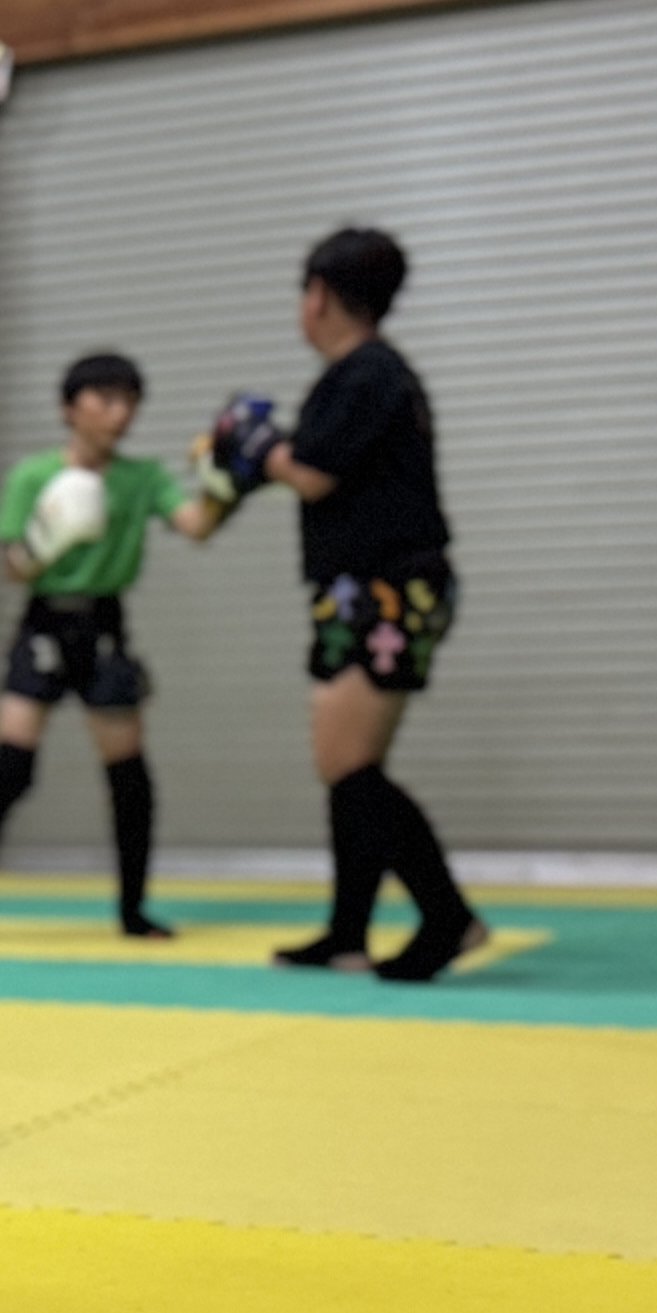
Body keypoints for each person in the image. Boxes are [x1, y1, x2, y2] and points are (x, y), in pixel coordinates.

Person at [199, 226, 482, 983]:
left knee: (348, 766)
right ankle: (347, 932)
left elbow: (313, 472)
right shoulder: (363, 377)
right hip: (363, 591)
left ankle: (447, 916)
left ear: (319, 296)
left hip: (385, 591)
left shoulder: (367, 373)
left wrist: (254, 444)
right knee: (349, 767)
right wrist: (260, 457)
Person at [0, 351, 216, 939]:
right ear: (69, 408)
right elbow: (12, 568)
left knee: (128, 774)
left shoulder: (142, 477)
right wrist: (48, 538)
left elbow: (196, 525)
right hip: (44, 623)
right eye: (106, 399)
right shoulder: (32, 475)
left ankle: (132, 910)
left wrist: (226, 483)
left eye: (129, 402)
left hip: (104, 624)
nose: (120, 413)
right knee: (12, 767)